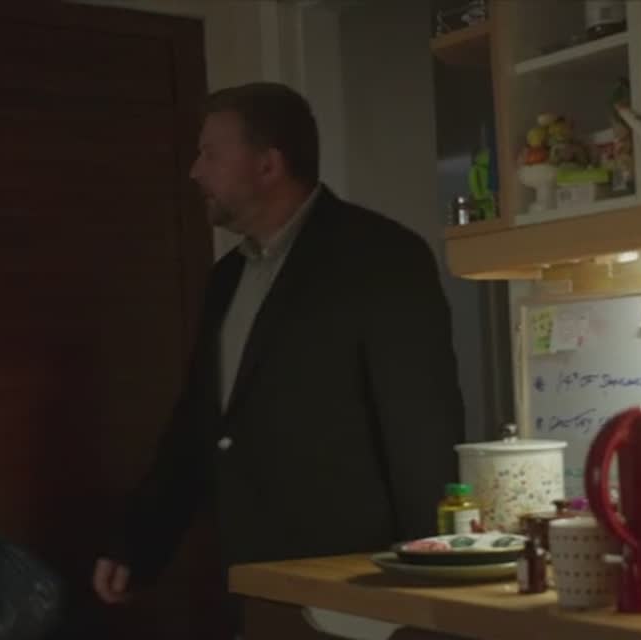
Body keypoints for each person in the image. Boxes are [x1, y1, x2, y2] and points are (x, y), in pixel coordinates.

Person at [91, 82, 466, 633]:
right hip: (254, 584)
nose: (195, 171)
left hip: (357, 593)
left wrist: (431, 589)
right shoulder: (227, 278)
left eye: (210, 154)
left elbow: (422, 432)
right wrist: (138, 543)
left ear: (268, 165)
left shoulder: (381, 257)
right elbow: (200, 425)